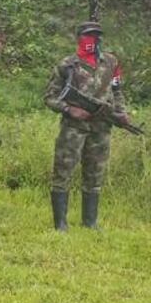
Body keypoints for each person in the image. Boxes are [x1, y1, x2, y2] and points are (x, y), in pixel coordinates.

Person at [43, 21, 131, 230]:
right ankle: (61, 223)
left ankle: (90, 222)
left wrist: (121, 112)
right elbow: (49, 97)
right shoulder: (66, 65)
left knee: (95, 172)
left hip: (101, 127)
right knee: (63, 171)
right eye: (88, 35)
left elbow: (117, 91)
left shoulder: (110, 62)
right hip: (73, 127)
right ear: (79, 37)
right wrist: (69, 110)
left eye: (96, 35)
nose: (93, 39)